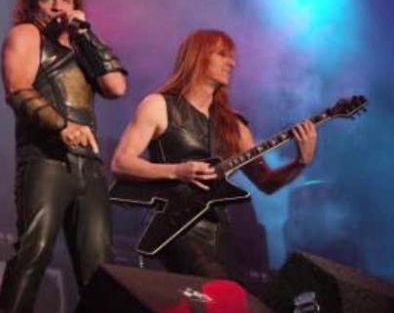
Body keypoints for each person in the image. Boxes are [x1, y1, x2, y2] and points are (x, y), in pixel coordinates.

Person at [111, 29, 317, 278]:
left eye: (231, 57)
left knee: (223, 293)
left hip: (220, 230)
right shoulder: (158, 105)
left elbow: (266, 182)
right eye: (222, 54)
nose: (232, 63)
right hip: (173, 225)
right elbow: (121, 162)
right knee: (212, 285)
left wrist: (300, 162)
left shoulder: (235, 125)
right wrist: (177, 170)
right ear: (198, 56)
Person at [0, 0, 127, 312]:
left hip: (89, 166)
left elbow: (116, 87)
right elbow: (17, 90)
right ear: (34, 4)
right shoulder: (27, 34)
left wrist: (86, 33)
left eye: (66, 0)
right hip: (46, 159)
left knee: (99, 267)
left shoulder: (82, 46)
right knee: (35, 250)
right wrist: (61, 125)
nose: (58, 6)